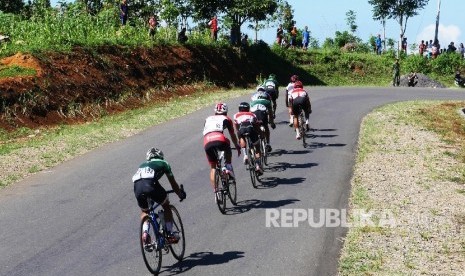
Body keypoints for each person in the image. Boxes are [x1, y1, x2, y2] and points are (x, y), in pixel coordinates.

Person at [132, 147, 186, 245]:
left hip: (137, 187)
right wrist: (180, 194)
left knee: (145, 211)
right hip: (150, 185)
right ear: (161, 156)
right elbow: (173, 183)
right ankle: (170, 233)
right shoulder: (164, 163)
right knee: (166, 205)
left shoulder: (142, 165)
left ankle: (145, 232)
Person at [203, 103, 241, 195]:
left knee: (213, 167)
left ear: (215, 112)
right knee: (227, 143)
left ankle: (216, 191)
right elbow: (232, 134)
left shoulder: (207, 118)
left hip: (207, 140)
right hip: (219, 138)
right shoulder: (227, 119)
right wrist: (237, 145)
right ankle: (227, 166)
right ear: (226, 112)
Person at [233, 102, 263, 175]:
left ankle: (245, 155)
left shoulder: (236, 115)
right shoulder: (252, 114)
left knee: (241, 137)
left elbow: (236, 128)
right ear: (248, 108)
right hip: (251, 129)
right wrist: (261, 134)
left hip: (242, 129)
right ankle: (258, 166)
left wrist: (239, 137)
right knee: (257, 148)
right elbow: (256, 126)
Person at [250, 87, 275, 153]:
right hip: (263, 111)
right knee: (266, 126)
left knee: (254, 127)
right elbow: (270, 112)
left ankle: (253, 143)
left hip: (253, 110)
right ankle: (268, 143)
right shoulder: (267, 95)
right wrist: (272, 122)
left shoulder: (253, 95)